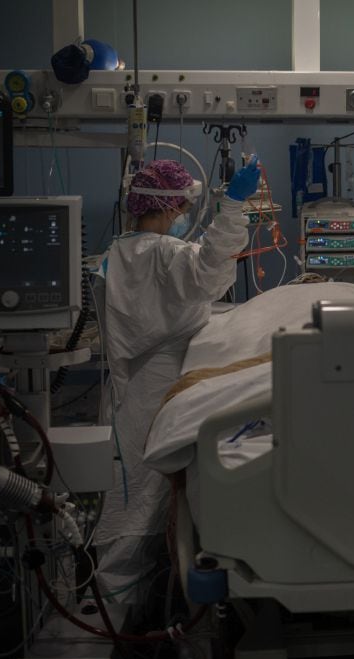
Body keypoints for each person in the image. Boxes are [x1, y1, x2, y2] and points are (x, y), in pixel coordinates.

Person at [94, 156, 261, 611]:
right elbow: (209, 271)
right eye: (184, 204)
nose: (186, 210)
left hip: (135, 388)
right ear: (168, 207)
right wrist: (233, 204)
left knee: (133, 500)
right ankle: (115, 622)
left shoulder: (120, 251)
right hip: (159, 388)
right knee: (141, 508)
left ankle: (121, 610)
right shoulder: (163, 254)